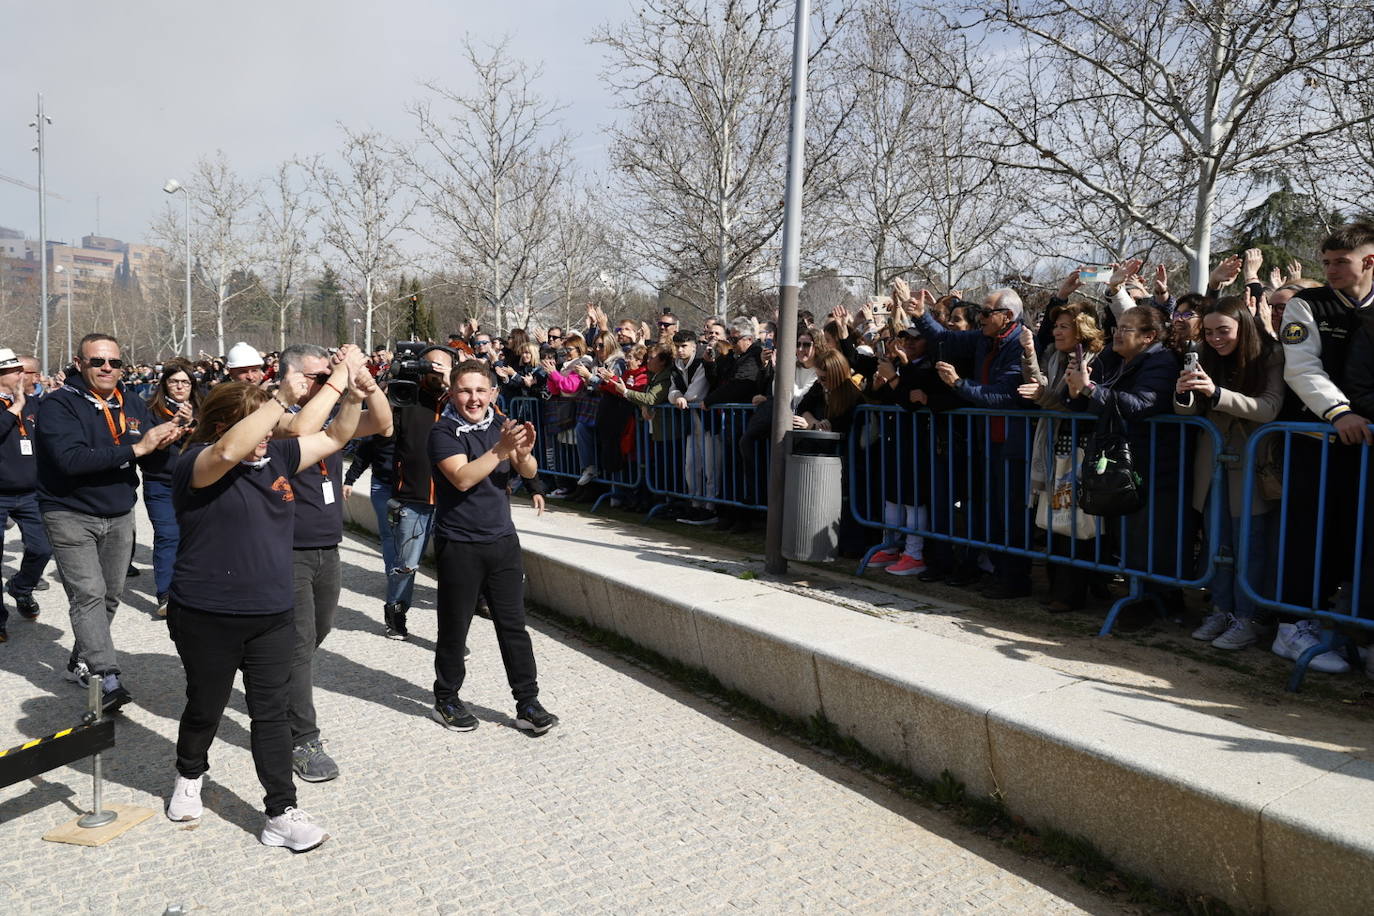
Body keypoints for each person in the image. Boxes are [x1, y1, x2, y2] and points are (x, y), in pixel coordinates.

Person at [163, 373, 361, 851]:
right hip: (206, 613)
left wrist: (354, 394)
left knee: (270, 713)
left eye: (268, 429)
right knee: (206, 704)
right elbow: (229, 453)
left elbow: (336, 435)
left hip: (272, 613)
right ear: (223, 425)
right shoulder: (195, 463)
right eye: (255, 426)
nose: (265, 438)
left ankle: (280, 811)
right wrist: (278, 400)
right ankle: (190, 774)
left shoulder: (277, 457)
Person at [38, 334, 184, 710]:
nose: (107, 369)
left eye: (115, 363)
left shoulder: (131, 401)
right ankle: (106, 676)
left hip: (119, 511)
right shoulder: (58, 404)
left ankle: (78, 660)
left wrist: (170, 443)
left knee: (109, 595)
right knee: (87, 594)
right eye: (98, 362)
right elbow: (70, 460)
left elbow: (151, 462)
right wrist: (139, 447)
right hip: (68, 512)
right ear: (79, 363)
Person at [274, 343, 392, 782]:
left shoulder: (333, 413)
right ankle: (302, 738)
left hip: (328, 546)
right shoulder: (275, 411)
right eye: (316, 376)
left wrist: (365, 383)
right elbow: (300, 428)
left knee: (316, 633)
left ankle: (276, 684)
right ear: (289, 375)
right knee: (301, 641)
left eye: (327, 374)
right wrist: (341, 376)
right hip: (287, 549)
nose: (325, 382)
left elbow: (382, 422)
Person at [427, 359, 557, 734]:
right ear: (452, 392)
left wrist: (525, 451)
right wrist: (503, 450)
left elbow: (528, 471)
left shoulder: (502, 425)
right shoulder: (443, 432)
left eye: (481, 390)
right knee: (455, 626)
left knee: (514, 626)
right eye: (465, 390)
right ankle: (446, 698)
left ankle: (528, 702)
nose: (473, 398)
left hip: (502, 540)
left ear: (493, 394)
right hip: (459, 543)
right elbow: (463, 478)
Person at [1274, 222, 1374, 671]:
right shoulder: (1306, 303)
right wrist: (1340, 413)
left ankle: (1359, 629)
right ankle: (1292, 627)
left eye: (1341, 262)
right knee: (1308, 534)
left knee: (1360, 537)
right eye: (1327, 261)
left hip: (1366, 446)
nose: (1330, 269)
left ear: (1369, 262)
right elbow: (1301, 368)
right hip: (1315, 439)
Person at [1175, 295, 1284, 650]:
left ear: (1243, 327)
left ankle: (1248, 617)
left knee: (1249, 547)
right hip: (1212, 467)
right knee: (1217, 545)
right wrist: (1183, 394)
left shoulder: (1270, 355)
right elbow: (1188, 415)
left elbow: (1268, 408)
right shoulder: (1204, 357)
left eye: (1224, 330)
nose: (1215, 338)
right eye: (1208, 332)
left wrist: (1217, 392)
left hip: (1251, 468)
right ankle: (1221, 609)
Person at [1018, 304, 1107, 611]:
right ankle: (1059, 589)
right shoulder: (1055, 357)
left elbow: (1076, 408)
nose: (1056, 331)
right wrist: (1029, 352)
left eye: (1065, 326)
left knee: (1076, 523)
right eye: (1056, 326)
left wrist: (1043, 398)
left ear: (1082, 329)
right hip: (1056, 447)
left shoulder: (1096, 361)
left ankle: (1070, 594)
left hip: (1082, 449)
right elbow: (1040, 385)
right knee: (1057, 521)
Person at [383, 345, 455, 639]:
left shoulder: (460, 399)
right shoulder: (405, 396)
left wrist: (453, 382)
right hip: (413, 496)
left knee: (455, 565)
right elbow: (380, 426)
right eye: (429, 366)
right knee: (407, 564)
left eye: (442, 366)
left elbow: (492, 414)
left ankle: (455, 624)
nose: (434, 372)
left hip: (453, 498)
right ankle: (396, 611)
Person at [0, 348, 50, 641]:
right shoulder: (18, 404)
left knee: (42, 548)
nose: (24, 375)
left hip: (31, 492)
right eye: (17, 371)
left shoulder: (35, 404)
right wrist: (15, 406)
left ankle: (20, 588)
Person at [142, 359, 200, 616]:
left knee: (195, 537)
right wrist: (173, 426)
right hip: (161, 482)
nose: (179, 387)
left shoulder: (202, 407)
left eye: (185, 382)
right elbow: (144, 448)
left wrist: (193, 424)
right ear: (165, 384)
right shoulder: (150, 409)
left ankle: (192, 588)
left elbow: (212, 440)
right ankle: (165, 594)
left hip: (195, 481)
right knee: (167, 536)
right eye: (174, 381)